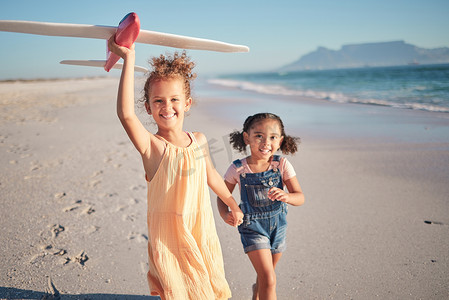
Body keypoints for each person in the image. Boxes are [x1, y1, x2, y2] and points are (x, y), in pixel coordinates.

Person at [108, 35, 244, 300]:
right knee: (176, 290)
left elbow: (212, 176)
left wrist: (232, 204)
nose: (167, 107)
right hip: (169, 238)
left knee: (206, 285)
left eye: (174, 99)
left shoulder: (200, 140)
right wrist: (128, 58)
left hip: (199, 229)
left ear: (187, 103)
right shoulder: (152, 146)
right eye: (158, 101)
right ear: (147, 107)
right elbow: (125, 114)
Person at [217, 113, 305, 300]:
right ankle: (262, 287)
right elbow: (223, 195)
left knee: (267, 274)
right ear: (246, 138)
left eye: (273, 137)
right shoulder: (238, 169)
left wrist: (287, 196)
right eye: (259, 136)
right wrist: (226, 213)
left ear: (280, 140)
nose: (266, 142)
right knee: (269, 278)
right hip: (252, 228)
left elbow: (300, 197)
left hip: (278, 228)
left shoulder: (281, 165)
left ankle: (257, 291)